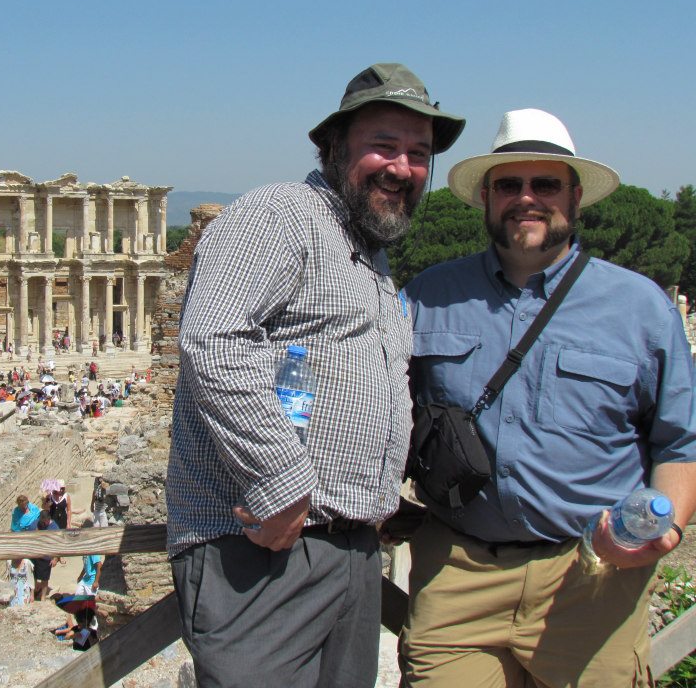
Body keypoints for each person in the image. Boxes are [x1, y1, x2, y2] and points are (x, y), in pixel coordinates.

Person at [165, 63, 465, 687]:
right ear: (333, 147)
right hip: (262, 548)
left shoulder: (368, 255)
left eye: (418, 153)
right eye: (383, 145)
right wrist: (283, 483)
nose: (403, 167)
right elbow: (214, 339)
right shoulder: (280, 216)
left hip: (350, 552)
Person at [398, 108, 696, 687]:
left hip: (592, 575)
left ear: (575, 197)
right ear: (486, 197)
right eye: (509, 184)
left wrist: (668, 528)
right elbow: (378, 415)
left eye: (545, 184)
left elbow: (680, 445)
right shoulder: (427, 297)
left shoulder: (641, 309)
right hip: (457, 571)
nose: (526, 198)